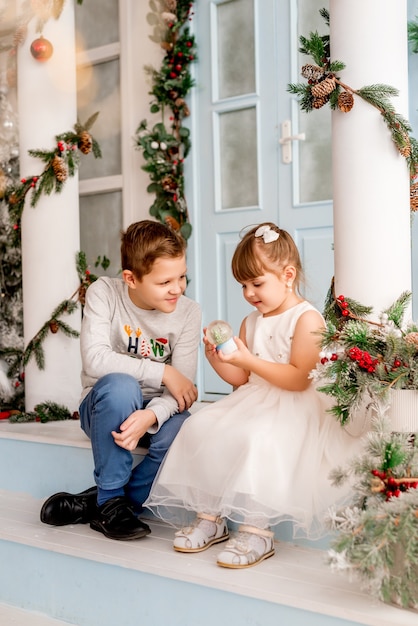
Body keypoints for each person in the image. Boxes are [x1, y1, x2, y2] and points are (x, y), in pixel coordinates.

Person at [144, 222, 361, 568]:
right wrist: (219, 359)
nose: (248, 293)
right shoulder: (251, 320)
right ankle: (209, 517)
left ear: (287, 275)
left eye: (257, 283)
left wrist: (247, 358)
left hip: (294, 404)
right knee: (203, 426)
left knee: (259, 438)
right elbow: (241, 380)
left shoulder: (306, 319)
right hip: (256, 397)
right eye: (243, 285)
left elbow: (297, 380)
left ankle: (257, 530)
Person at [40, 220, 201, 541]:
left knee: (185, 426)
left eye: (181, 276)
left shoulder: (188, 312)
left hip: (153, 412)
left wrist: (152, 415)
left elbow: (182, 392)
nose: (178, 288)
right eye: (165, 281)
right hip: (105, 407)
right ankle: (112, 497)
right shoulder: (105, 293)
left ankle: (105, 504)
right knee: (121, 386)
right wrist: (163, 371)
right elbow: (96, 359)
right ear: (131, 279)